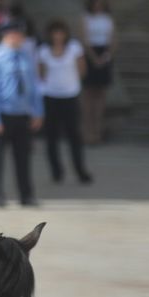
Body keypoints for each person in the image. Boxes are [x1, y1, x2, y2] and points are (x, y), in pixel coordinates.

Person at [0, 17, 44, 207]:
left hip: (22, 114)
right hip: (2, 114)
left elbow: (34, 86)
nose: (20, 37)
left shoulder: (26, 56)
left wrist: (38, 111)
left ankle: (26, 194)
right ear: (7, 35)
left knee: (23, 157)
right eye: (17, 34)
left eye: (21, 34)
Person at [37, 19, 89, 184]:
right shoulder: (44, 50)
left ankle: (80, 169)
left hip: (70, 95)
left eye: (61, 33)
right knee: (51, 137)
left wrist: (71, 83)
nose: (58, 36)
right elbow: (41, 73)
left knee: (74, 135)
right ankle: (56, 171)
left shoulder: (74, 48)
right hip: (51, 96)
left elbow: (82, 69)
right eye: (55, 33)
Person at [80, 0, 115, 144]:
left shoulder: (108, 19)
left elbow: (114, 39)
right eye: (96, 1)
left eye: (101, 2)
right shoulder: (86, 18)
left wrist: (106, 56)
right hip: (90, 53)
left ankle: (98, 130)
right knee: (88, 93)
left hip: (104, 53)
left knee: (100, 94)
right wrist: (93, 57)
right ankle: (87, 131)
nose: (99, 5)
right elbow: (84, 38)